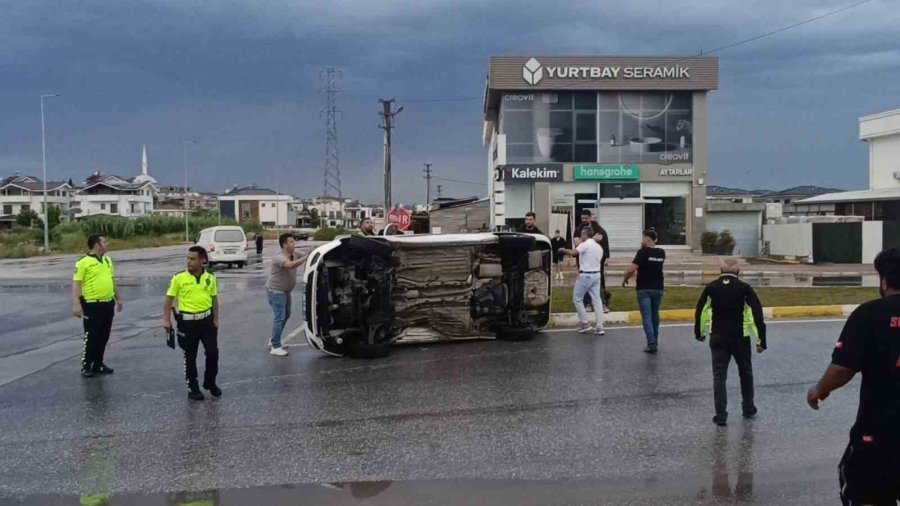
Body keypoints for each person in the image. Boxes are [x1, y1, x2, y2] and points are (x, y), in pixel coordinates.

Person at [807, 247, 900, 506]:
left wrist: (819, 390)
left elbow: (842, 368)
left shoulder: (869, 314)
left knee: (863, 493)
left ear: (884, 280)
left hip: (880, 434)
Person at [694, 258, 767, 426]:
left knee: (719, 376)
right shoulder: (744, 288)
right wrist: (761, 340)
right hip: (739, 337)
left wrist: (700, 332)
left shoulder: (711, 287)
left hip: (718, 336)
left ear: (720, 270)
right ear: (738, 272)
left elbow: (702, 311)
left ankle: (721, 415)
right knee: (745, 372)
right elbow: (755, 315)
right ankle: (748, 407)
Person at [163, 246, 220, 401]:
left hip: (207, 322)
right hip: (187, 324)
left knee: (213, 352)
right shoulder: (179, 278)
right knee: (190, 356)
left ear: (203, 260)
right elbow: (169, 300)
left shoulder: (210, 277)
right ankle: (193, 388)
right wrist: (167, 319)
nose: (189, 261)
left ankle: (210, 382)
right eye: (188, 258)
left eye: (193, 258)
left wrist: (216, 319)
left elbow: (214, 299)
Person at [72, 235, 123, 378]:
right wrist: (77, 304)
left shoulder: (107, 260)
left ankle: (98, 363)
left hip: (107, 303)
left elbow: (112, 280)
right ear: (96, 245)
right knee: (91, 336)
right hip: (92, 305)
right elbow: (77, 284)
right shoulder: (83, 262)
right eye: (104, 242)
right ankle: (86, 365)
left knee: (104, 336)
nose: (107, 244)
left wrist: (118, 298)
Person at [623, 230, 666, 354]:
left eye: (643, 238)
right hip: (658, 288)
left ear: (647, 239)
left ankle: (651, 342)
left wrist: (625, 278)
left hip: (644, 289)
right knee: (654, 315)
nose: (641, 240)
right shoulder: (661, 253)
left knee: (647, 316)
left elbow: (632, 269)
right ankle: (655, 340)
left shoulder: (642, 252)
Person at [266, 233, 309, 356]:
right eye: (291, 242)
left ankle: (275, 339)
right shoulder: (279, 257)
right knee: (280, 317)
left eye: (294, 241)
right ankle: (275, 346)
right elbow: (290, 265)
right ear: (284, 244)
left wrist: (310, 253)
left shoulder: (294, 253)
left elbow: (307, 255)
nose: (294, 244)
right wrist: (304, 258)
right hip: (276, 290)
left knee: (286, 315)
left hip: (285, 291)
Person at [558, 229, 605, 335]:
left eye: (581, 234)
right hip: (597, 274)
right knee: (597, 300)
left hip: (585, 274)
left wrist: (562, 250)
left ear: (585, 234)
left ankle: (585, 324)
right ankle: (600, 327)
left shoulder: (585, 244)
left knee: (577, 298)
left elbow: (573, 253)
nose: (580, 236)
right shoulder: (598, 247)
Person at [574, 209, 611, 312]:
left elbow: (604, 242)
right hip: (583, 262)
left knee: (599, 281)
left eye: (586, 218)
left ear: (590, 217)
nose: (584, 220)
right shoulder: (578, 229)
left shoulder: (599, 229)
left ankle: (602, 303)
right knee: (584, 282)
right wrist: (593, 239)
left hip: (596, 262)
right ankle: (587, 304)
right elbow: (576, 242)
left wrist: (607, 257)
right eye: (582, 218)